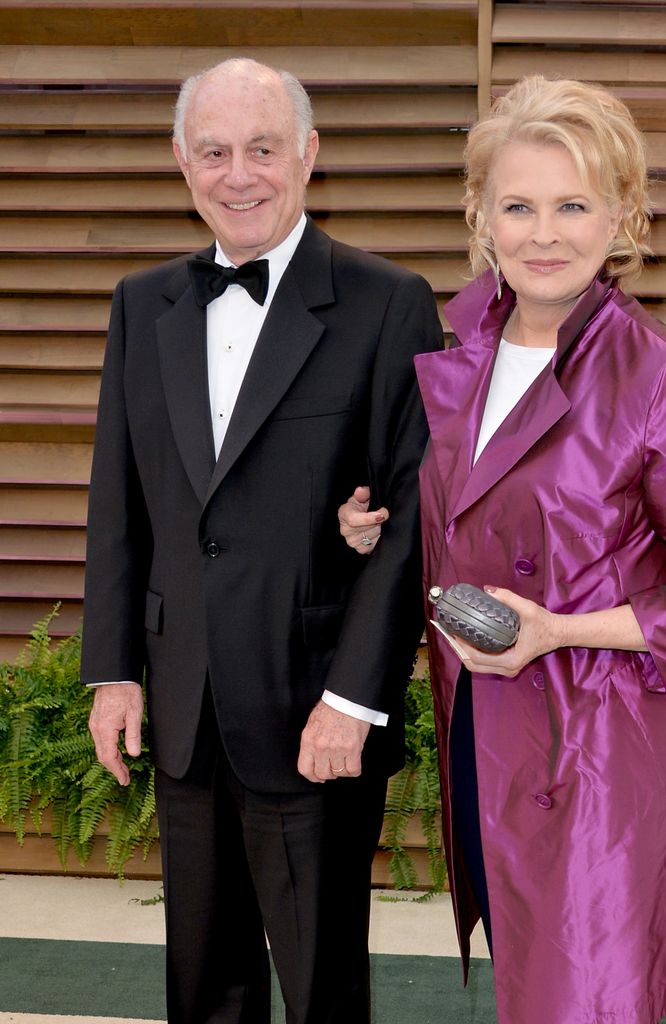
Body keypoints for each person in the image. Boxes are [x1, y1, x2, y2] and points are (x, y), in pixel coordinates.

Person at [338, 76, 666, 1024]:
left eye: (572, 205)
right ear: (480, 215)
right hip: (485, 735)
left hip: (601, 756)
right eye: (519, 205)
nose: (544, 233)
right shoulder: (457, 349)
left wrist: (557, 629)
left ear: (621, 214)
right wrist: (371, 522)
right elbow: (463, 512)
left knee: (581, 1001)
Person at [81, 57, 442, 1024]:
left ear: (309, 154)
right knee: (203, 986)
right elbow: (121, 502)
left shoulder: (387, 302)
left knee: (323, 990)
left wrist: (355, 699)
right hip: (185, 702)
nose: (238, 174)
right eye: (214, 152)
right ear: (181, 162)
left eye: (262, 149)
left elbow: (409, 524)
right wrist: (112, 671)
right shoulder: (139, 303)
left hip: (313, 708)